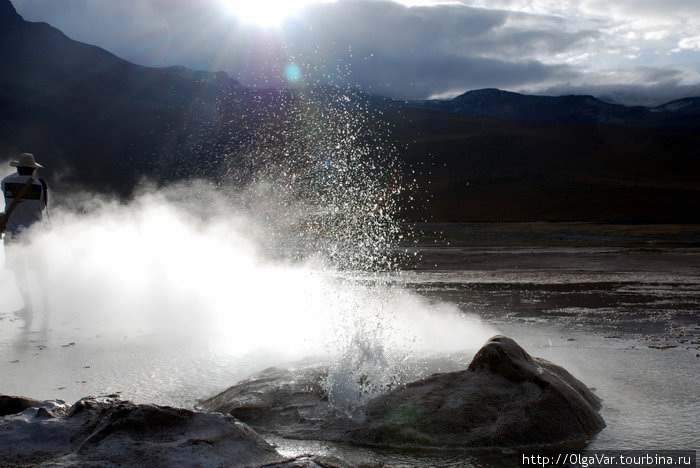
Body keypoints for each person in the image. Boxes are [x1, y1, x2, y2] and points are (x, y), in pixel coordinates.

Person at [1, 153, 50, 327]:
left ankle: (28, 306)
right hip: (34, 235)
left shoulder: (6, 182)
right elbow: (43, 206)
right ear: (33, 169)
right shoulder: (39, 185)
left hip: (14, 235)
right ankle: (46, 305)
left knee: (19, 273)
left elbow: (8, 180)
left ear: (17, 168)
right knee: (39, 271)